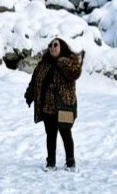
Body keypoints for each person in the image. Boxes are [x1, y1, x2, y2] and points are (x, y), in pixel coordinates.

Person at [25, 36, 83, 170]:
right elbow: (35, 80)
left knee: (65, 134)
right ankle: (50, 162)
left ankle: (70, 162)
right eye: (50, 45)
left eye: (55, 45)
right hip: (47, 106)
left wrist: (61, 61)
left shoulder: (69, 61)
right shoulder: (44, 63)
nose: (52, 47)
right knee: (50, 135)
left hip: (64, 106)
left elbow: (75, 73)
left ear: (62, 46)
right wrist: (30, 93)